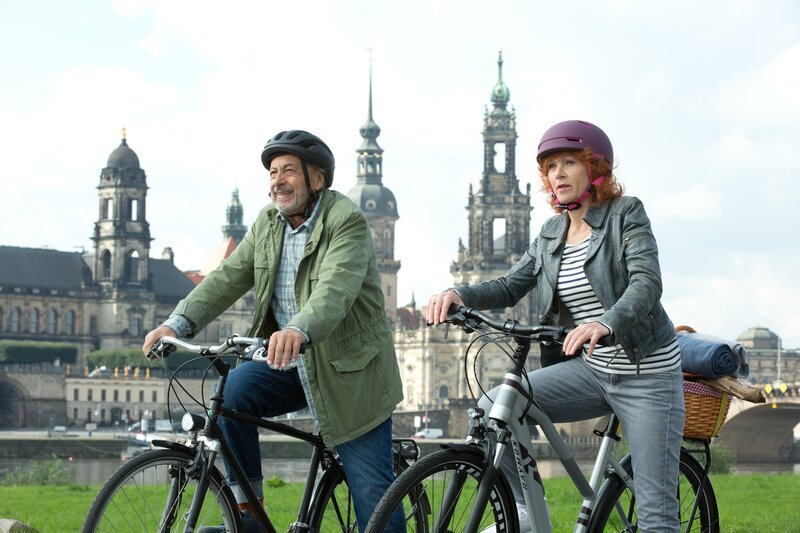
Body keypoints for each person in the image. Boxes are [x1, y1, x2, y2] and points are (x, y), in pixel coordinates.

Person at [426, 120, 685, 532]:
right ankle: (524, 513)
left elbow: (646, 283)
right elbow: (511, 284)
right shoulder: (551, 232)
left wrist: (606, 321)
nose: (557, 174)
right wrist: (461, 294)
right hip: (591, 369)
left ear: (596, 169)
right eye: (550, 166)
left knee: (655, 512)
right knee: (495, 408)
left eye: (569, 162)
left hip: (645, 372)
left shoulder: (625, 214)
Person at [143, 130, 404, 532]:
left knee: (375, 501)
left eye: (288, 171)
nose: (277, 180)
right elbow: (227, 278)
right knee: (232, 396)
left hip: (350, 371)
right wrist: (176, 322)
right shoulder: (268, 223)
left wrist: (298, 327)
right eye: (272, 172)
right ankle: (249, 514)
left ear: (317, 179)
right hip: (290, 361)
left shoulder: (346, 220)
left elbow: (335, 289)